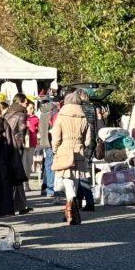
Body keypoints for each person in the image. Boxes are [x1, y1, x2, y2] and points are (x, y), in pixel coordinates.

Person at [51, 89, 92, 225]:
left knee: (67, 180)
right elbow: (88, 140)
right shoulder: (83, 118)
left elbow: (56, 137)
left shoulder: (61, 117)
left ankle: (71, 211)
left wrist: (55, 150)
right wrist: (82, 145)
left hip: (64, 149)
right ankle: (69, 210)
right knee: (74, 180)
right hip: (79, 150)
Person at [3, 94, 34, 214]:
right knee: (17, 176)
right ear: (20, 102)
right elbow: (20, 133)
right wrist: (20, 148)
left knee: (10, 176)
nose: (26, 105)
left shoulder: (6, 113)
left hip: (5, 146)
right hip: (15, 148)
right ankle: (19, 205)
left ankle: (18, 205)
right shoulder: (21, 115)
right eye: (25, 103)